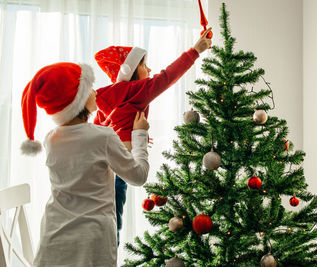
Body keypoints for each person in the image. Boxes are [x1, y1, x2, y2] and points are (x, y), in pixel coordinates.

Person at [20, 62, 150, 267]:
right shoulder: (103, 137)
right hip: (93, 239)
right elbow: (138, 176)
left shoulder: (51, 139)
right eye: (88, 88)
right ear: (76, 100)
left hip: (53, 236)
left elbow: (84, 150)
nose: (95, 92)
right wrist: (139, 135)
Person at [93, 27, 212, 243]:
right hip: (120, 171)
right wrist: (196, 50)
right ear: (132, 71)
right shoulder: (137, 90)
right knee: (113, 228)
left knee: (106, 226)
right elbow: (167, 77)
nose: (149, 69)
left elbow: (99, 130)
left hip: (104, 170)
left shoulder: (112, 95)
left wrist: (133, 134)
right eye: (144, 65)